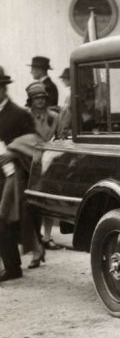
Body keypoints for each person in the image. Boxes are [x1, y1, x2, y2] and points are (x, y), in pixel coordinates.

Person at [0, 67, 39, 282]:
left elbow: (33, 142)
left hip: (12, 177)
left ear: (4, 89)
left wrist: (13, 152)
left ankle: (13, 267)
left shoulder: (18, 114)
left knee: (4, 218)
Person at [25, 81, 61, 260]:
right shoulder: (25, 116)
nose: (39, 101)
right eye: (35, 98)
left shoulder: (54, 116)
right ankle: (35, 241)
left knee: (45, 201)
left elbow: (60, 137)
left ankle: (44, 238)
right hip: (28, 160)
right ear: (30, 100)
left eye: (42, 98)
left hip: (48, 162)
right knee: (29, 203)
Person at [56, 67, 71, 138]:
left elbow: (68, 115)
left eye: (64, 78)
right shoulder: (70, 93)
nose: (62, 80)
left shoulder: (71, 95)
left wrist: (63, 131)